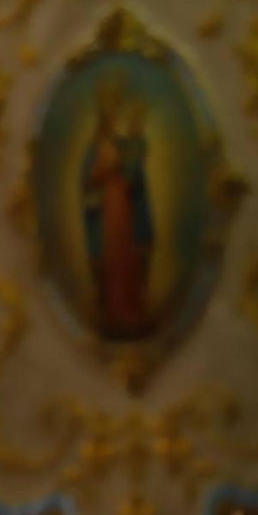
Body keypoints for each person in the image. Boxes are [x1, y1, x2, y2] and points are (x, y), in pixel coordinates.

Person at [80, 78, 154, 338]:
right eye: (109, 113)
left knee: (126, 258)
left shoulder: (122, 144)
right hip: (109, 208)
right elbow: (89, 179)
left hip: (123, 205)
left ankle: (131, 312)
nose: (113, 118)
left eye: (115, 112)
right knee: (113, 259)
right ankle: (115, 312)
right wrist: (104, 170)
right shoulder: (95, 146)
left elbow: (132, 174)